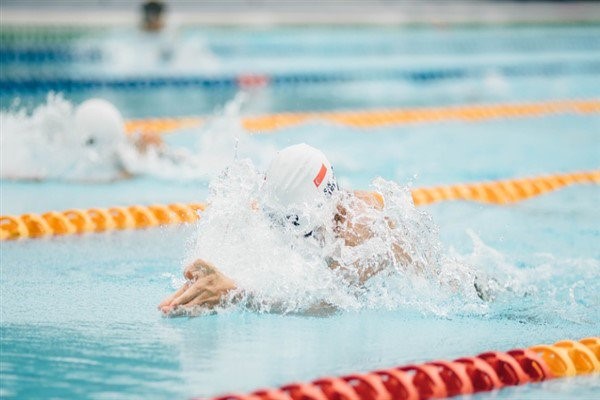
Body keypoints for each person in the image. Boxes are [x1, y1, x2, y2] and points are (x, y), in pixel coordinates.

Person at [158, 143, 425, 315]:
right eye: (278, 220)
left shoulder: (362, 228)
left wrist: (236, 293)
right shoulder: (285, 205)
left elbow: (326, 303)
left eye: (295, 223)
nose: (286, 230)